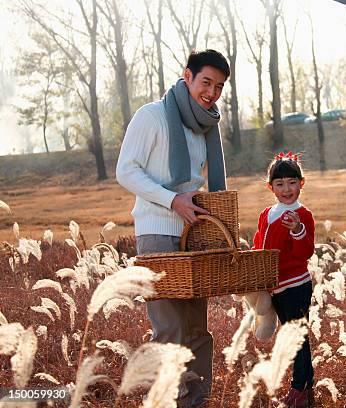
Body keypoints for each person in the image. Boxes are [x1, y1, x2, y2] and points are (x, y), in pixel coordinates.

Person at [116, 49, 230, 408]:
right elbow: (126, 170)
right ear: (187, 77)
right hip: (157, 234)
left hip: (193, 235)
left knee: (197, 329)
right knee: (170, 328)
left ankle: (196, 400)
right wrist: (171, 200)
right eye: (206, 82)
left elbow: (198, 185)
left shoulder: (204, 126)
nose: (211, 93)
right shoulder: (152, 116)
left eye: (219, 86)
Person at [252, 152, 316, 408]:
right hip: (276, 287)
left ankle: (299, 388)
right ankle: (306, 384)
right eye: (279, 184)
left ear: (302, 183)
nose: (286, 189)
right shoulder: (267, 213)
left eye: (292, 182)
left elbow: (305, 252)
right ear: (270, 187)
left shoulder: (302, 215)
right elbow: (260, 243)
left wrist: (298, 231)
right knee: (289, 336)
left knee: (296, 338)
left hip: (296, 285)